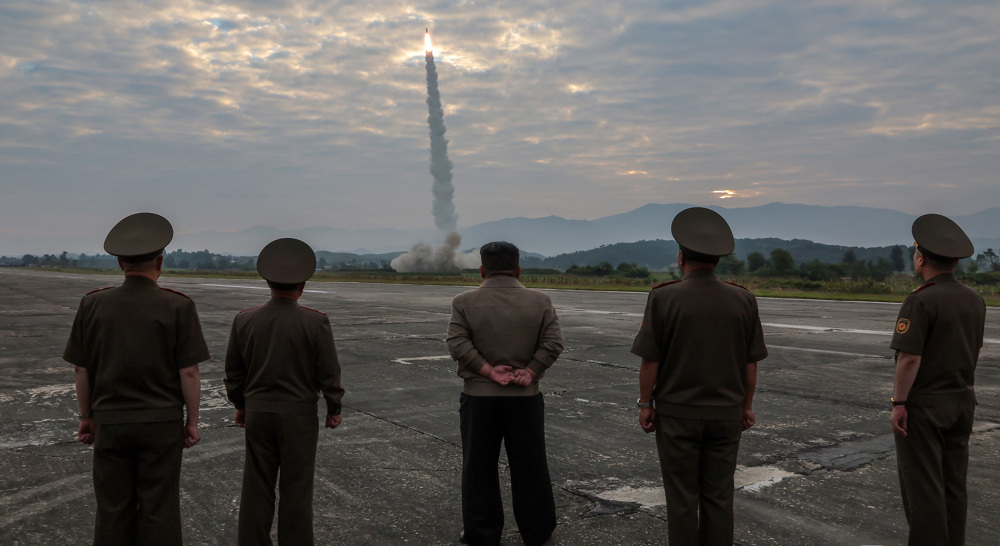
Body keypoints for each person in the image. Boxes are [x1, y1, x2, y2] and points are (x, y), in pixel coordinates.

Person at [64, 212, 210, 545]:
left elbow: (81, 369)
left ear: (120, 264)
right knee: (160, 509)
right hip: (160, 424)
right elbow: (188, 371)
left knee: (113, 509)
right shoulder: (177, 306)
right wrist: (193, 421)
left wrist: (87, 417)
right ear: (160, 261)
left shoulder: (92, 304)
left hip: (111, 423)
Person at [631, 207, 767, 545]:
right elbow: (751, 364)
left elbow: (651, 360)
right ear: (717, 260)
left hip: (678, 414)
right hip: (726, 414)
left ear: (681, 257)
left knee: (681, 499)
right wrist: (746, 405)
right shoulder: (743, 299)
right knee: (719, 497)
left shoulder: (664, 296)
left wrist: (645, 403)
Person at [224, 238, 345, 546]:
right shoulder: (315, 322)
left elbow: (234, 372)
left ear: (268, 283)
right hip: (299, 416)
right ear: (302, 286)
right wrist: (334, 407)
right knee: (297, 490)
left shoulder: (244, 320)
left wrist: (241, 404)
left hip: (259, 413)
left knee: (256, 486)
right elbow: (328, 371)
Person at [446, 241, 564, 546]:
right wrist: (531, 371)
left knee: (478, 468)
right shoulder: (541, 301)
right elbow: (553, 343)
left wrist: (487, 371)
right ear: (519, 269)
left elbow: (458, 344)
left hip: (479, 398)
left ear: (483, 269)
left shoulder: (463, 302)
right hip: (524, 399)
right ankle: (537, 532)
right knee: (531, 467)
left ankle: (482, 533)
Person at [889, 214, 986, 546]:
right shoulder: (974, 299)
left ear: (920, 257)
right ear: (956, 260)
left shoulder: (921, 299)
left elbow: (909, 358)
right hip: (962, 403)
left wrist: (899, 403)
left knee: (924, 490)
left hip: (926, 408)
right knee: (953, 486)